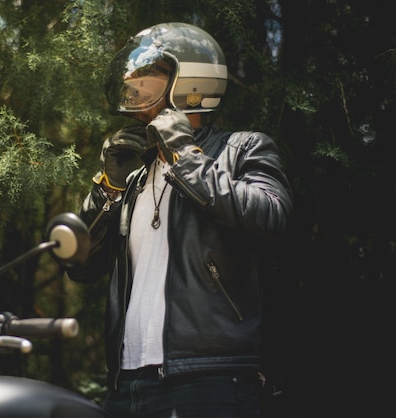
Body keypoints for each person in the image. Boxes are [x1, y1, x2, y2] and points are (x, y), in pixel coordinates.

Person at [66, 22, 293, 418]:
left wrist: (184, 152)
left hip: (211, 380)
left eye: (148, 77)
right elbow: (82, 266)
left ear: (190, 80)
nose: (135, 87)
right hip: (126, 385)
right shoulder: (135, 175)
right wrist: (110, 187)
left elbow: (271, 216)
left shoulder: (242, 148)